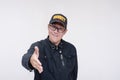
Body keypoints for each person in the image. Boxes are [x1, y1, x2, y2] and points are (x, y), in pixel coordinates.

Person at [22, 13, 78, 80]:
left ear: (65, 32)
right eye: (53, 27)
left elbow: (73, 74)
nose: (56, 31)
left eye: (60, 28)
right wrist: (30, 60)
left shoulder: (71, 49)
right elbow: (25, 58)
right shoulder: (38, 46)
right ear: (48, 27)